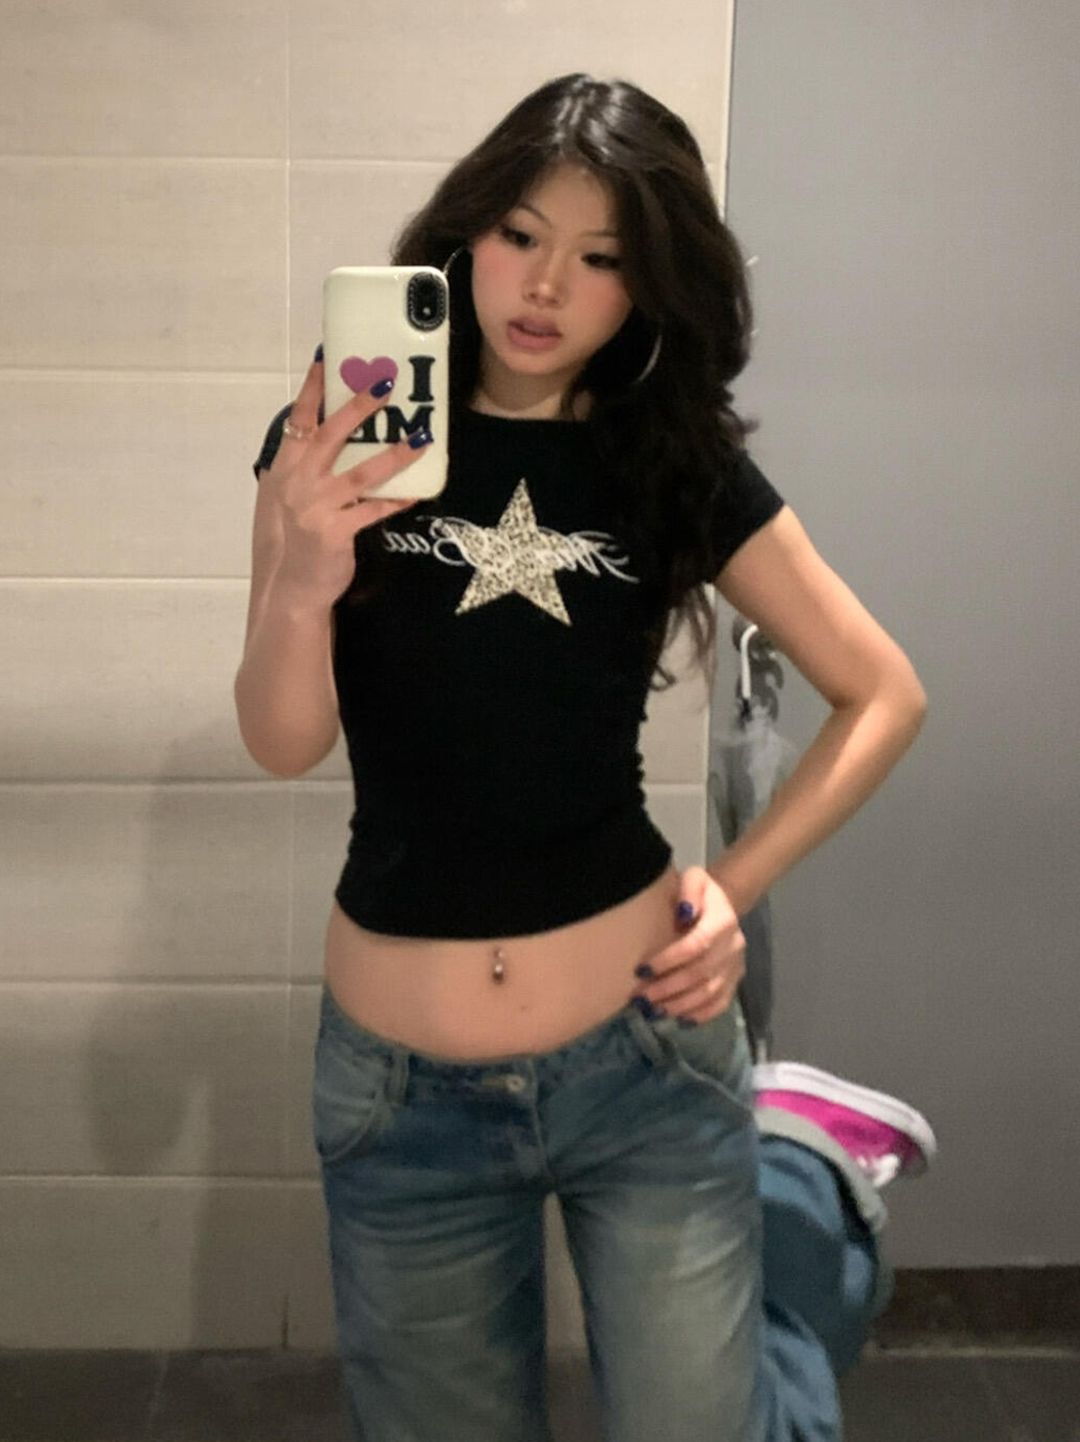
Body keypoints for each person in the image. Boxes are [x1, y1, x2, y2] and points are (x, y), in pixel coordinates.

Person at [237, 73, 933, 1442]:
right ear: (468, 233)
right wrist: (304, 575)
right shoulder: (333, 439)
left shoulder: (664, 457)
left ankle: (796, 1231)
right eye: (520, 234)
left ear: (647, 287)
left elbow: (882, 691)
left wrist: (735, 885)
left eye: (602, 258)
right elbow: (283, 738)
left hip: (643, 1059)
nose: (546, 286)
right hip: (400, 1095)